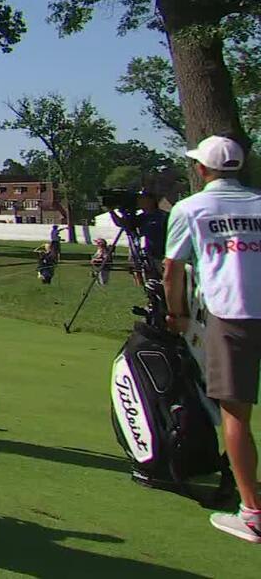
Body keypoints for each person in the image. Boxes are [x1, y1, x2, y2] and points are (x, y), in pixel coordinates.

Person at [163, 135, 261, 543]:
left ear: (202, 170)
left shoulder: (191, 208)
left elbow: (173, 271)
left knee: (235, 414)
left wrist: (176, 315)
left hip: (231, 313)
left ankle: (252, 513)